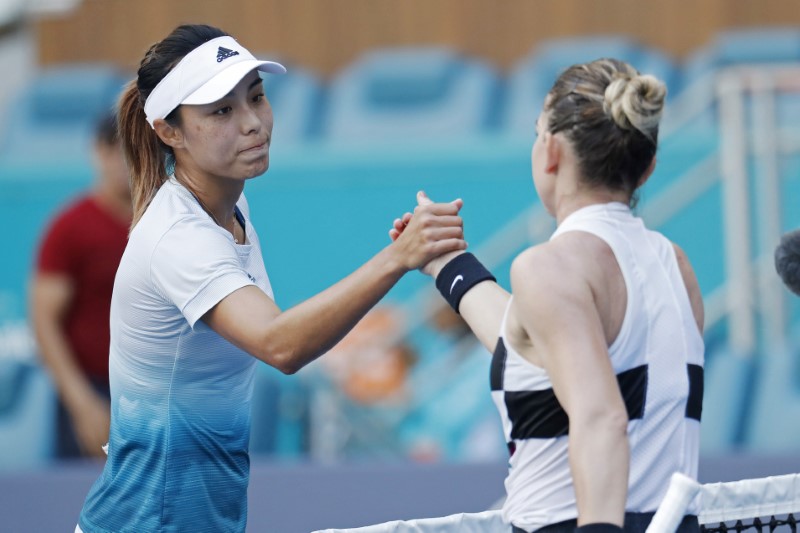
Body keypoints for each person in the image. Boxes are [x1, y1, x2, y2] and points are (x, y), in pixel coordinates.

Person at [75, 24, 465, 533]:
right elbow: (280, 345)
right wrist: (398, 258)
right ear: (169, 131)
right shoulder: (178, 238)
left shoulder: (232, 205)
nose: (253, 123)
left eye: (256, 98)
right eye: (221, 111)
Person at [393, 58, 705, 532]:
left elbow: (601, 417)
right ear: (646, 169)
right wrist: (447, 264)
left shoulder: (547, 266)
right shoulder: (677, 266)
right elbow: (536, 349)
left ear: (551, 151)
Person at [30, 111, 131, 460]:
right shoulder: (70, 228)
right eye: (118, 150)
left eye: (138, 150)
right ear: (99, 153)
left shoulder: (163, 224)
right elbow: (44, 322)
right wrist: (81, 401)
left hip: (154, 393)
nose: (128, 163)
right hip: (93, 391)